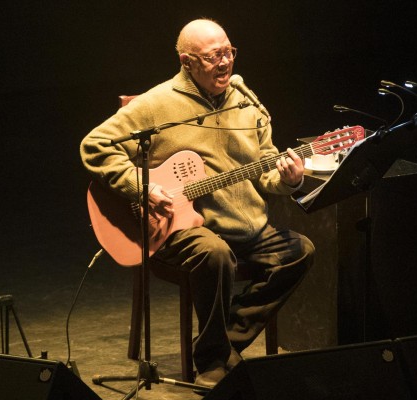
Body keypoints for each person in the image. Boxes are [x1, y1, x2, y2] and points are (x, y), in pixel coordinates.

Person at [80, 18, 315, 389]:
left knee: (299, 252)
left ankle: (221, 343)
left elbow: (265, 168)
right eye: (212, 56)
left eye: (228, 52)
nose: (225, 62)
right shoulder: (157, 103)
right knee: (215, 254)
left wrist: (289, 181)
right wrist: (141, 187)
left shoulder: (246, 101)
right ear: (187, 62)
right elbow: (95, 145)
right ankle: (212, 362)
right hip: (184, 227)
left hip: (245, 223)